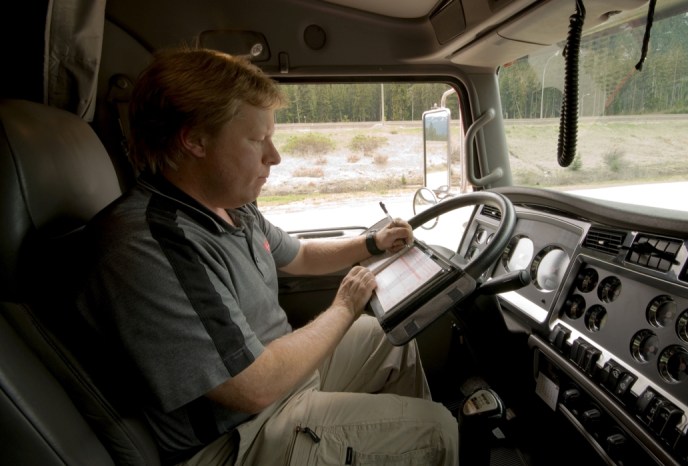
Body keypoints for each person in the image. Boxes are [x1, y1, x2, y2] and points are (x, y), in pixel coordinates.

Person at [76, 47, 458, 465]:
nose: (273, 156)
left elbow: (302, 256)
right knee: (435, 429)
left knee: (388, 336)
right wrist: (345, 305)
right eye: (258, 140)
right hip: (235, 436)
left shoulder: (230, 206)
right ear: (194, 140)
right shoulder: (152, 245)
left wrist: (370, 244)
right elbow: (252, 386)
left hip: (277, 385)